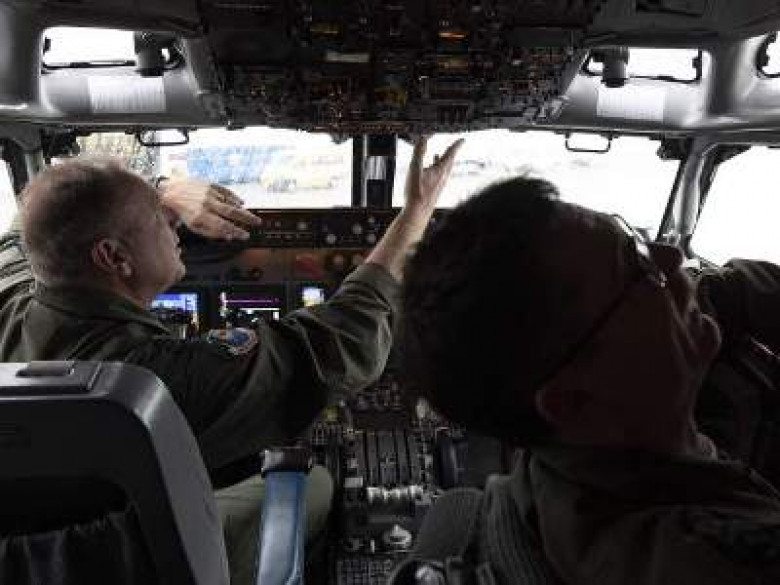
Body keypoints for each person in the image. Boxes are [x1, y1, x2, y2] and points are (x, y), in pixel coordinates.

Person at [0, 136, 462, 584]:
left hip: (36, 557)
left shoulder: (12, 291)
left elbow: (28, 229)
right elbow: (343, 341)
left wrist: (163, 191)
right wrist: (416, 211)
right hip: (128, 561)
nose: (175, 227)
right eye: (158, 218)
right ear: (113, 256)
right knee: (313, 480)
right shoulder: (152, 381)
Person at [401, 176, 780, 585]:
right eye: (638, 267)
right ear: (572, 400)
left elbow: (695, 300)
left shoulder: (565, 456)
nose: (672, 257)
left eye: (634, 242)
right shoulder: (712, 566)